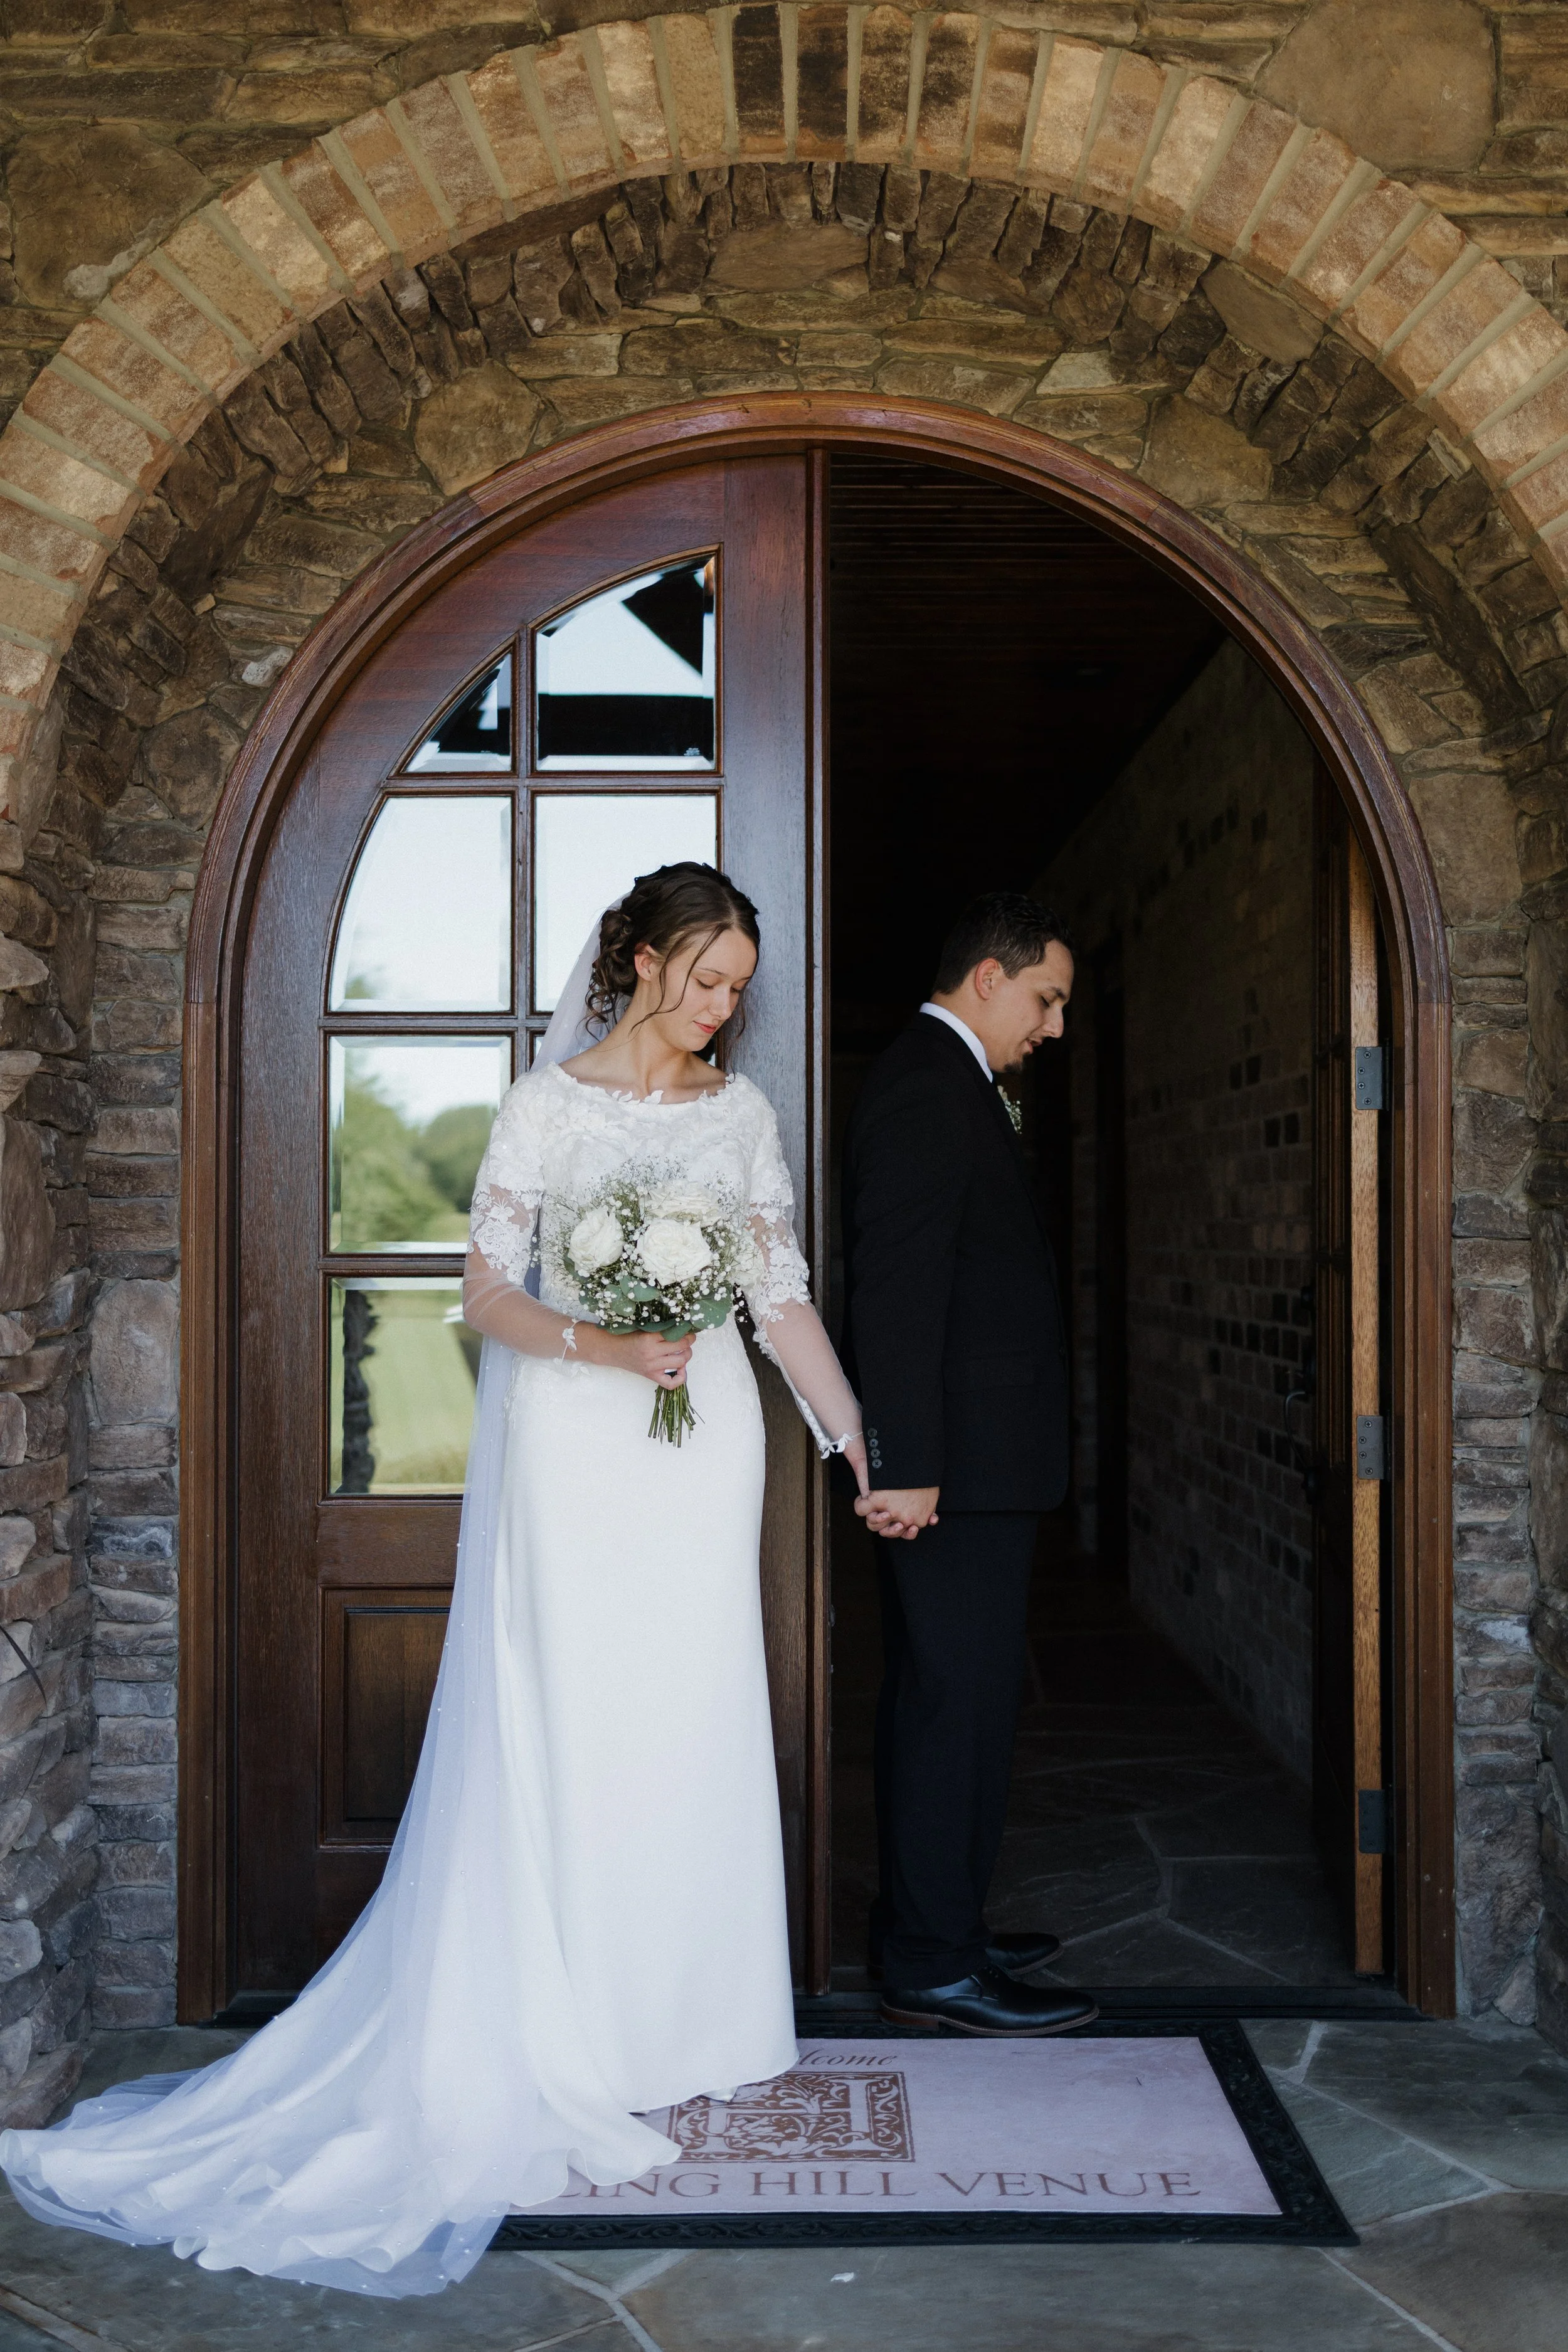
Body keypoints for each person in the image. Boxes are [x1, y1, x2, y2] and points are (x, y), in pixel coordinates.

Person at [0, 862, 866, 2299]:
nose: (723, 1010)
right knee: (575, 1719)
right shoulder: (547, 1108)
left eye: (739, 991)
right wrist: (609, 1346)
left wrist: (849, 1439)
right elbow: (487, 1296)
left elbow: (773, 1297)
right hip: (579, 1439)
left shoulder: (743, 1118)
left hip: (703, 1443)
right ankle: (574, 2027)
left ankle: (690, 2027)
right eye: (706, 979)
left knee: (690, 1711)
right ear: (639, 962)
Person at [843, 892, 1098, 2036]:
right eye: (1045, 1000)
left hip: (982, 1466)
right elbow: (897, 1289)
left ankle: (938, 1922)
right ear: (987, 977)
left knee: (964, 1701)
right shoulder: (922, 1086)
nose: (1052, 1027)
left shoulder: (952, 1084)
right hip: (949, 1472)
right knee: (956, 1704)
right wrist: (901, 1462)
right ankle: (934, 1958)